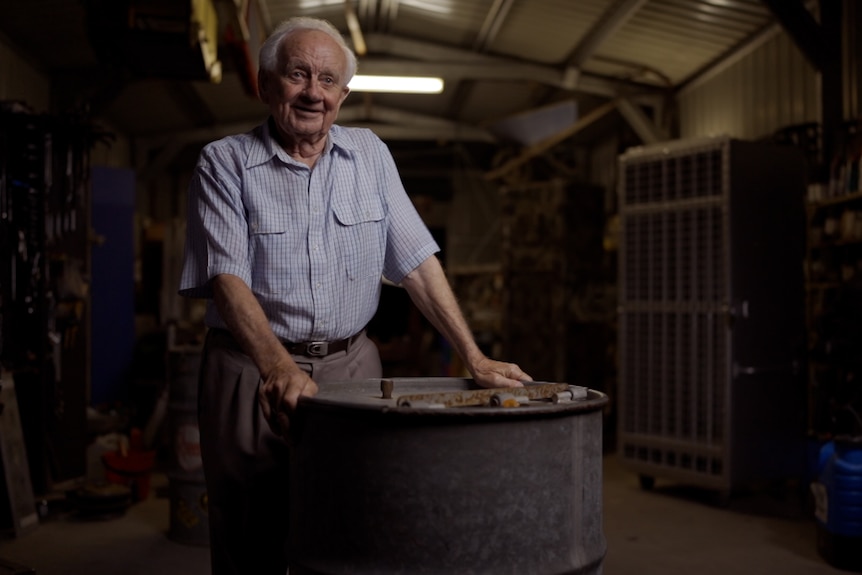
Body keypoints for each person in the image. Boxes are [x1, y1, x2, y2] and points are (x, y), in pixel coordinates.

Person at [178, 15, 532, 575]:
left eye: (327, 80)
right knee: (251, 532)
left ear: (344, 94)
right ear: (267, 85)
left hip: (353, 367)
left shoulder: (369, 155)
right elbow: (227, 278)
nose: (313, 92)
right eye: (297, 75)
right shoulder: (225, 163)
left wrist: (475, 355)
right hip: (251, 369)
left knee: (355, 528)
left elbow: (416, 262)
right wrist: (277, 367)